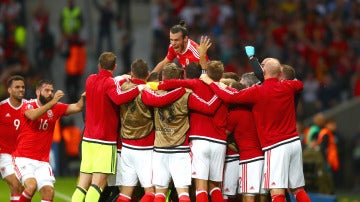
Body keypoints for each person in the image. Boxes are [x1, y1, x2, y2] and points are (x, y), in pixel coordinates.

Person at [200, 58, 311, 202]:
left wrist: (211, 83)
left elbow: (230, 97)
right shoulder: (289, 86)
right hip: (294, 143)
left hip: (276, 146)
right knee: (298, 189)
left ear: (263, 71)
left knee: (276, 192)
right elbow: (299, 83)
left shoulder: (258, 91)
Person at [141, 63, 221, 202]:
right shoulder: (186, 95)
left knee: (159, 194)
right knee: (183, 194)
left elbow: (147, 96)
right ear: (179, 77)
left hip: (160, 150)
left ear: (163, 77)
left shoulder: (153, 94)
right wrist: (219, 92)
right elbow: (208, 108)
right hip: (180, 150)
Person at [158, 41, 227, 202]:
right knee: (215, 186)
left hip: (200, 139)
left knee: (201, 187)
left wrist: (155, 85)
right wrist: (202, 56)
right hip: (219, 141)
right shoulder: (224, 89)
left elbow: (176, 83)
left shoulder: (195, 85)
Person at [71, 52, 143, 202]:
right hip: (104, 142)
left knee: (82, 184)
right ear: (115, 66)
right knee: (98, 184)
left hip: (87, 140)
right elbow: (118, 98)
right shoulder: (110, 83)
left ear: (99, 65)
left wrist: (122, 78)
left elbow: (106, 84)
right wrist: (139, 88)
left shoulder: (90, 79)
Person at [115, 59, 182, 202]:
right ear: (147, 74)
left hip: (126, 147)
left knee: (126, 193)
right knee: (151, 191)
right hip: (144, 148)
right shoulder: (146, 92)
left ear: (132, 73)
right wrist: (180, 90)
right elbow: (160, 101)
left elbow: (117, 80)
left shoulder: (123, 87)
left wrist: (125, 77)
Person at [12, 79, 85, 202]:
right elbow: (33, 115)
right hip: (23, 158)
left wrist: (85, 96)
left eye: (52, 91)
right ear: (38, 92)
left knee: (49, 193)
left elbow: (77, 107)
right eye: (47, 90)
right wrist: (54, 101)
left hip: (42, 162)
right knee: (31, 186)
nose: (50, 93)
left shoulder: (55, 108)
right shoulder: (28, 105)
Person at [0, 75, 26, 202]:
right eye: (17, 87)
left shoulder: (29, 107)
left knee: (19, 188)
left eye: (22, 87)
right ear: (9, 90)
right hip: (5, 155)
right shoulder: (1, 107)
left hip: (23, 156)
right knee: (15, 184)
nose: (21, 89)